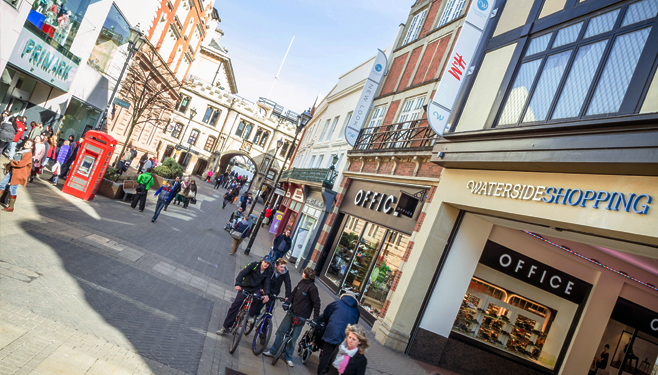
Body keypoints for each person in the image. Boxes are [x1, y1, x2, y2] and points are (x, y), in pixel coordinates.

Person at [263, 267, 321, 367]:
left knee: (294, 338)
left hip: (301, 316)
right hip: (291, 312)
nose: (302, 274)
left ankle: (288, 357)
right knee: (281, 331)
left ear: (306, 275)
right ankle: (272, 351)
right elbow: (293, 294)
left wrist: (315, 319)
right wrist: (287, 303)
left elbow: (317, 303)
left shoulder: (312, 288)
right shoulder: (301, 282)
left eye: (303, 273)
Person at [216, 257, 272, 335]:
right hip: (245, 286)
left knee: (257, 298)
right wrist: (238, 284)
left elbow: (267, 283)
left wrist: (266, 294)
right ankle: (225, 327)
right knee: (236, 305)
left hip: (255, 288)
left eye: (268, 264)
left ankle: (250, 316)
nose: (266, 264)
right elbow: (242, 273)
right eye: (265, 262)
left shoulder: (268, 271)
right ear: (262, 261)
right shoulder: (254, 265)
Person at [316, 291, 361, 375]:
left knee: (327, 354)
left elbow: (327, 312)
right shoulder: (356, 310)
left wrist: (327, 322)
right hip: (345, 336)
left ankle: (321, 373)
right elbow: (355, 324)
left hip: (332, 331)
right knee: (337, 357)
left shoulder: (337, 302)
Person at [0, 139, 33, 212]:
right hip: (13, 170)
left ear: (31, 146)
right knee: (2, 184)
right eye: (26, 142)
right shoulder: (22, 151)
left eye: (28, 144)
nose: (26, 144)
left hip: (19, 173)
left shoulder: (28, 154)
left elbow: (21, 164)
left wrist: (12, 161)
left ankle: (11, 207)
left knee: (13, 188)